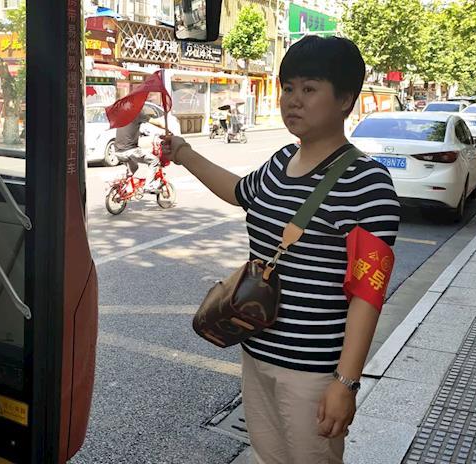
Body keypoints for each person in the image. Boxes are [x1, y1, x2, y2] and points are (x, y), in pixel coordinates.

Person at [161, 36, 400, 464]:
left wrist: (345, 383)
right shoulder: (279, 161)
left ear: (345, 100)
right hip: (256, 351)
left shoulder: (367, 184)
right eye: (288, 87)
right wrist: (184, 154)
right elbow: (239, 191)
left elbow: (368, 293)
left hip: (311, 372)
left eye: (309, 89)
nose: (293, 100)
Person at [115, 107, 165, 189]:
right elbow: (156, 123)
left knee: (134, 167)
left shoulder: (122, 115)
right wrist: (167, 129)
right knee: (154, 160)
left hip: (118, 151)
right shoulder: (137, 114)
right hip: (130, 150)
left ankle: (125, 187)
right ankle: (149, 185)